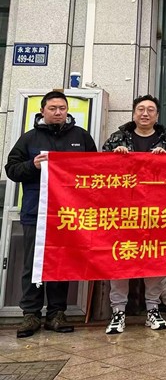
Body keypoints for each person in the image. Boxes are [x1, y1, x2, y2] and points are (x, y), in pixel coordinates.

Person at [5, 90, 97, 339]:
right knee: (33, 265)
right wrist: (32, 165)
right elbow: (12, 169)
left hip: (68, 213)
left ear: (67, 111)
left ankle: (57, 313)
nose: (58, 112)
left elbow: (95, 169)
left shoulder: (80, 137)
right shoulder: (29, 138)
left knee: (61, 263)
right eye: (53, 108)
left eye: (62, 108)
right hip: (36, 212)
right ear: (43, 111)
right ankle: (30, 314)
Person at [102, 94, 166, 335]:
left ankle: (153, 309)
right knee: (120, 259)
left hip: (156, 212)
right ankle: (118, 311)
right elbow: (97, 171)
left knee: (153, 260)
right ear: (134, 113)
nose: (145, 113)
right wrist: (114, 158)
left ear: (157, 115)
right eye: (141, 109)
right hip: (122, 212)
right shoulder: (117, 139)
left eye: (150, 110)